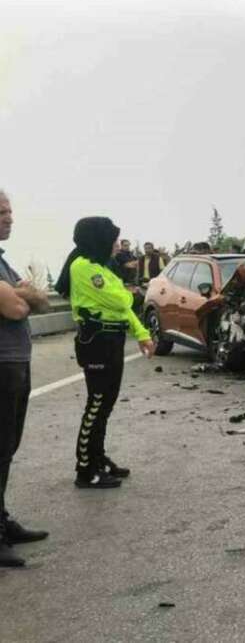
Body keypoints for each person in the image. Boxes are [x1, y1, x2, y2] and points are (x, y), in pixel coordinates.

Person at [56, 217, 156, 489]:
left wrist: (143, 334)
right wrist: (128, 293)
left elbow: (123, 308)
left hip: (112, 338)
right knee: (97, 403)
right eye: (112, 239)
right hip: (96, 340)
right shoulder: (83, 267)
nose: (116, 244)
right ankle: (85, 469)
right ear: (97, 239)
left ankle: (97, 458)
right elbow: (121, 299)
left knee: (107, 404)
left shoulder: (103, 267)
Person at [0, 190, 50, 567]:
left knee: (8, 447)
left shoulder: (3, 262)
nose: (10, 219)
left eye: (11, 212)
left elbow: (42, 300)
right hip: (2, 364)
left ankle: (1, 521)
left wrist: (22, 293)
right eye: (2, 213)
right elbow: (19, 307)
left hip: (17, 361)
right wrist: (23, 294)